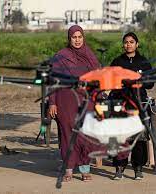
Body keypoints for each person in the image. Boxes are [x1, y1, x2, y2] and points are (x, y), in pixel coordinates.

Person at [49, 25, 100, 182]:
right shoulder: (60, 57)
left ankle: (85, 169)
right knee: (67, 135)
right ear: (69, 38)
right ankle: (69, 170)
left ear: (83, 38)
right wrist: (52, 103)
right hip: (65, 101)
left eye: (79, 37)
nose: (77, 40)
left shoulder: (90, 56)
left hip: (86, 101)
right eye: (74, 37)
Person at [110, 32, 154, 180]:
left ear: (137, 44)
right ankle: (119, 167)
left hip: (139, 103)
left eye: (131, 42)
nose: (128, 44)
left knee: (139, 136)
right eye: (126, 42)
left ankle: (138, 167)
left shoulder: (143, 62)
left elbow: (151, 83)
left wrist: (139, 79)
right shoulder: (117, 62)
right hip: (120, 102)